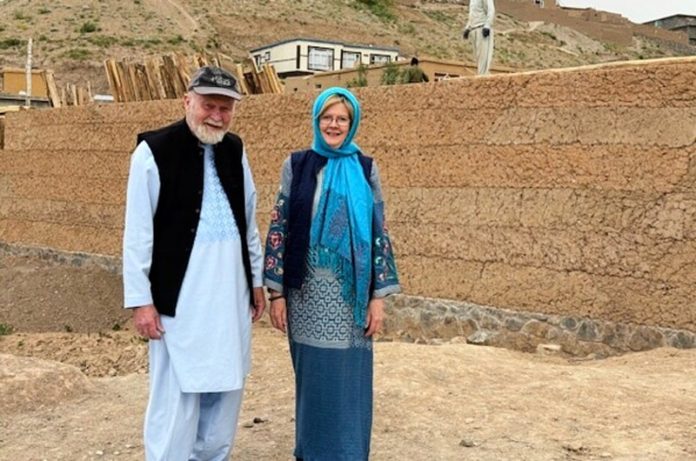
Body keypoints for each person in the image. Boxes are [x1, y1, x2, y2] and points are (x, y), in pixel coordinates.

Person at [122, 66, 266, 461]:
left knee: (225, 392)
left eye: (225, 108)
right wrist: (141, 300)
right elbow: (137, 234)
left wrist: (256, 280)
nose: (217, 116)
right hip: (180, 303)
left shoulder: (235, 150)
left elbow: (248, 221)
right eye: (209, 106)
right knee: (177, 400)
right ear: (187, 101)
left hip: (230, 297)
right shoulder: (152, 152)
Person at [264, 86, 401, 460]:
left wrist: (377, 299)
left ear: (352, 123)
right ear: (316, 120)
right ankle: (311, 452)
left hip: (351, 297)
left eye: (342, 118)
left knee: (349, 380)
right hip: (305, 293)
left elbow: (378, 233)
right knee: (313, 381)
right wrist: (277, 293)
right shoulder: (297, 165)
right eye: (327, 117)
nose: (334, 124)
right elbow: (279, 226)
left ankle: (348, 453)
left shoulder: (366, 169)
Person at [462, 0, 495, 75]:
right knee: (478, 56)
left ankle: (483, 76)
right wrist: (468, 28)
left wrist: (487, 25)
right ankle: (481, 75)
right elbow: (473, 15)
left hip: (482, 28)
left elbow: (490, 10)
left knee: (484, 57)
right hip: (474, 29)